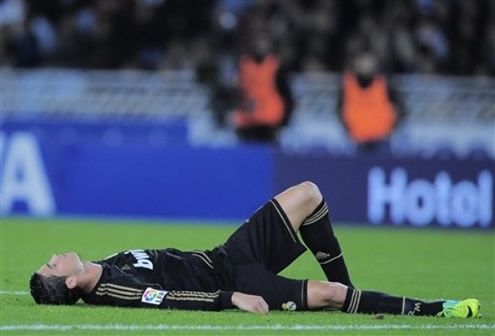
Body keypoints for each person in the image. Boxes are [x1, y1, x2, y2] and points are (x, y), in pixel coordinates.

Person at [30, 182, 479, 317]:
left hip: (226, 254)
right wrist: (233, 298)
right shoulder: (114, 289)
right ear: (69, 280)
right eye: (52, 264)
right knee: (328, 295)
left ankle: (350, 293)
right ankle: (435, 309)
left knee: (308, 194)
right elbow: (172, 299)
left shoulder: (103, 266)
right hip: (234, 280)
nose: (55, 254)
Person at [337, 51, 406, 152]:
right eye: (362, 63)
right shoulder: (348, 85)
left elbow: (400, 108)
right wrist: (347, 130)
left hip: (382, 139)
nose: (366, 66)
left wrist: (393, 129)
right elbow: (339, 110)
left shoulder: (385, 83)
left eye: (368, 63)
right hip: (357, 140)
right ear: (356, 64)